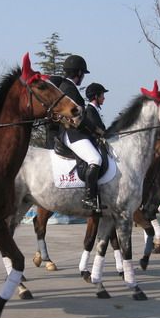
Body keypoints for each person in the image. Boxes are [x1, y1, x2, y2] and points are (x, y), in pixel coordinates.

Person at [58, 55, 103, 212]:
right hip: (72, 134)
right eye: (82, 73)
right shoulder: (68, 89)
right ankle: (89, 198)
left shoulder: (67, 87)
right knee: (95, 159)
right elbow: (77, 117)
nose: (83, 77)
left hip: (74, 132)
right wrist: (95, 130)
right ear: (78, 73)